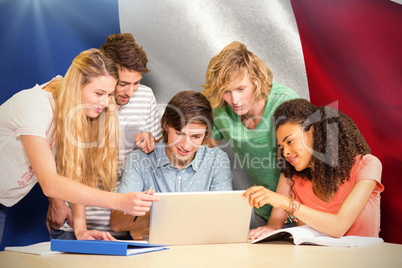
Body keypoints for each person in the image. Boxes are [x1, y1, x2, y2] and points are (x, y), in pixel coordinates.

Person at [0, 48, 158, 244]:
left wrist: (81, 229)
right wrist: (119, 201)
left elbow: (75, 170)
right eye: (99, 93)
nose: (104, 102)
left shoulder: (77, 110)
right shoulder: (34, 107)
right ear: (76, 86)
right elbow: (50, 184)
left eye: (109, 94)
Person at [47, 33, 163, 240]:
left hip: (125, 223)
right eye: (123, 83)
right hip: (74, 220)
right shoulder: (83, 101)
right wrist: (55, 201)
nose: (131, 92)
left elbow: (157, 160)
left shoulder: (145, 97)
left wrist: (151, 142)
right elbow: (62, 160)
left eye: (136, 83)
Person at [243, 99, 384, 238]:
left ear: (313, 131)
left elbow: (339, 227)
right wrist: (263, 232)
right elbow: (274, 225)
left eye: (290, 141)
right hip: (316, 258)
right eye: (282, 147)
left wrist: (287, 204)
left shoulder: (367, 165)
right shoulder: (290, 176)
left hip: (364, 258)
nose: (285, 152)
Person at [110, 91, 233, 239]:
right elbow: (118, 222)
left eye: (196, 136)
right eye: (179, 133)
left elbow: (224, 221)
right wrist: (194, 215)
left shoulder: (217, 160)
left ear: (206, 135)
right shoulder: (139, 160)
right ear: (166, 125)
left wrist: (150, 219)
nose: (186, 145)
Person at [202, 41, 299, 228]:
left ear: (257, 80)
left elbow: (292, 171)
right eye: (226, 92)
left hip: (299, 209)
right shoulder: (220, 110)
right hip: (263, 210)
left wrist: (274, 225)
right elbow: (204, 157)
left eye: (240, 89)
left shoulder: (285, 103)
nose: (234, 100)